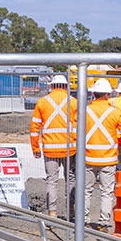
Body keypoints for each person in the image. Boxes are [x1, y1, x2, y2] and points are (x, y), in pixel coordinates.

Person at [30, 72, 76, 218]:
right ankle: (71, 209)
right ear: (66, 87)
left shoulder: (43, 102)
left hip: (50, 149)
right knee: (71, 179)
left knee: (52, 181)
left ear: (52, 86)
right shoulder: (74, 102)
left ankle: (52, 212)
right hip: (70, 149)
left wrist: (36, 148)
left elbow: (34, 128)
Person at [81, 79, 121, 232]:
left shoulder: (84, 111)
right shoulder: (115, 112)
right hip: (108, 158)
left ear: (93, 93)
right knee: (107, 192)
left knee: (86, 191)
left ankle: (84, 222)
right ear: (108, 94)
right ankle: (104, 223)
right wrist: (118, 144)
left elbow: (74, 132)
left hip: (88, 158)